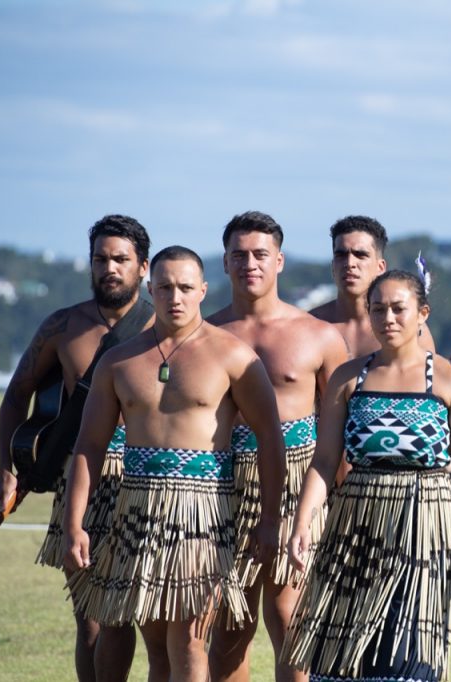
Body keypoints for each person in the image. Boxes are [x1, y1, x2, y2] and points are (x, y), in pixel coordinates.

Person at [62, 246, 286, 682]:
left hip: (202, 514)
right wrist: (74, 524)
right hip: (138, 512)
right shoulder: (119, 361)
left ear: (203, 290)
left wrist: (271, 518)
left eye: (185, 287)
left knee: (189, 640)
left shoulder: (234, 356)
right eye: (164, 287)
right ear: (150, 289)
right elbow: (90, 444)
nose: (175, 297)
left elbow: (269, 438)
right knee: (158, 647)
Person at [282, 269, 451, 681]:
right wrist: (303, 521)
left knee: (408, 657)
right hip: (356, 525)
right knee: (345, 655)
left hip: (425, 527)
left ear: (422, 314)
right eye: (378, 309)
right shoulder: (349, 378)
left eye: (399, 309)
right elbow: (326, 460)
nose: (388, 319)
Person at [0, 214, 152, 682]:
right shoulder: (63, 326)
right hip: (80, 475)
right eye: (100, 258)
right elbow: (17, 393)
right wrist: (6, 467)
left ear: (143, 267)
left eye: (121, 259)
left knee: (143, 618)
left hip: (146, 478)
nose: (110, 268)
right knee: (90, 619)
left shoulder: (163, 327)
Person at [206, 212, 348, 682]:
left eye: (261, 254)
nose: (250, 263)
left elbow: (341, 425)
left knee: (291, 622)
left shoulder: (319, 335)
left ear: (280, 261)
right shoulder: (205, 336)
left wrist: (344, 503)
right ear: (224, 262)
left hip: (299, 480)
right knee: (229, 628)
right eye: (239, 255)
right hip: (225, 485)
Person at [310, 215, 435, 357]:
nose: (350, 263)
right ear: (333, 266)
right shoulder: (311, 325)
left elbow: (430, 376)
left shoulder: (410, 329)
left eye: (360, 255)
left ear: (380, 267)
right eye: (341, 255)